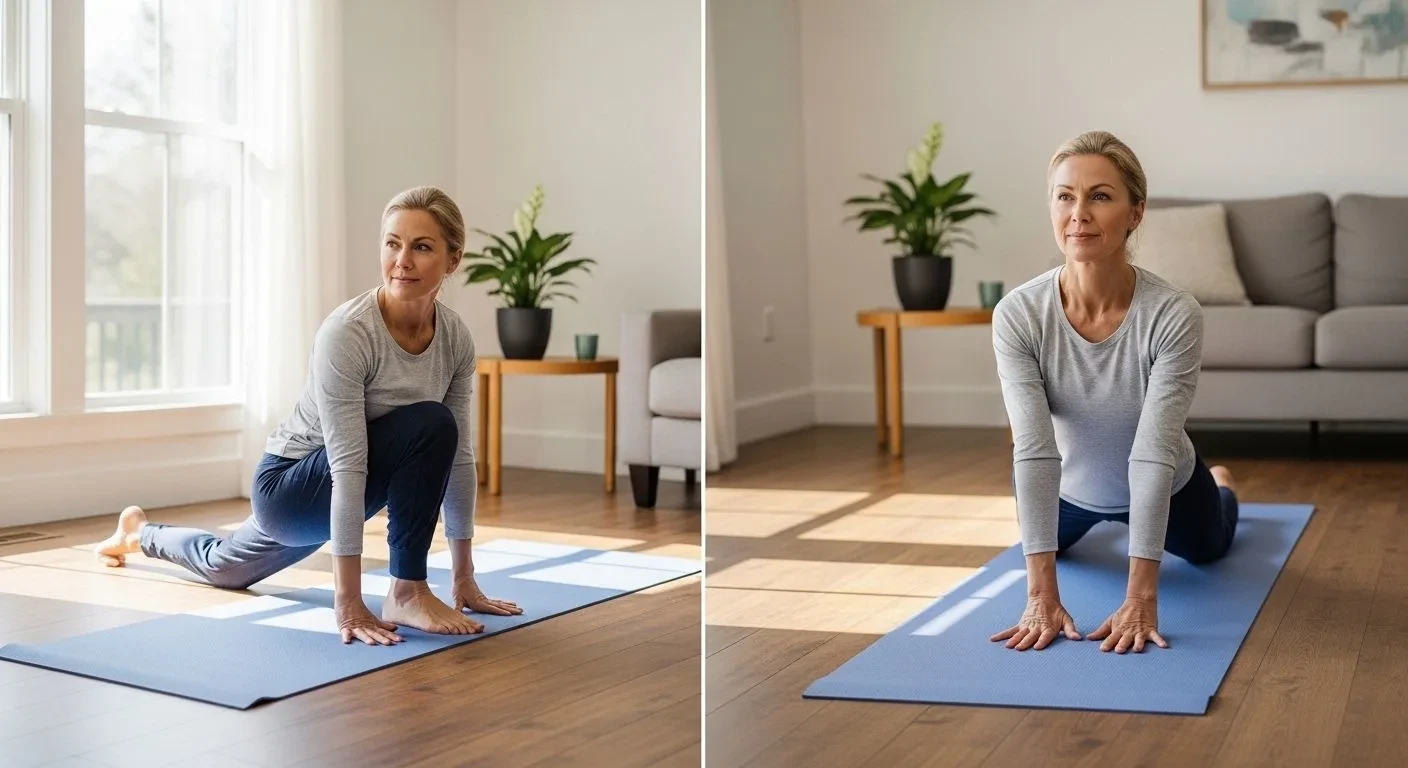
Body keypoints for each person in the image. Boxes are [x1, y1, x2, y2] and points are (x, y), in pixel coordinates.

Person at [95, 186, 523, 647]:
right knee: (431, 423)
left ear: (453, 260)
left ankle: (139, 533)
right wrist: (349, 602)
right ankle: (406, 590)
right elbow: (348, 465)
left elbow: (459, 460)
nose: (403, 260)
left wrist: (464, 580)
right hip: (292, 488)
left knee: (226, 568)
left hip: (342, 496)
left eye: (421, 247)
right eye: (392, 243)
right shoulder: (348, 333)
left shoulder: (455, 338)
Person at [988, 131, 1239, 655]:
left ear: (1135, 212)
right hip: (1070, 490)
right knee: (1038, 548)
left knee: (1213, 550)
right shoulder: (1017, 314)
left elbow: (1152, 452)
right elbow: (1033, 449)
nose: (1078, 212)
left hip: (1165, 482)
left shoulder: (1172, 314)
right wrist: (1040, 596)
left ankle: (1223, 486)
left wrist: (1141, 596)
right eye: (1065, 195)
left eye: (1100, 196)